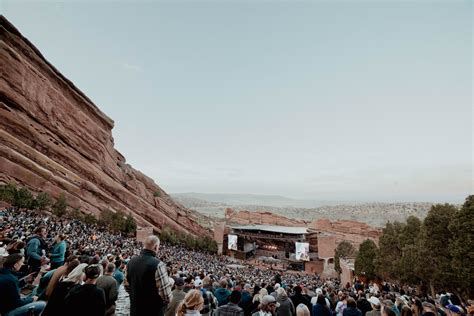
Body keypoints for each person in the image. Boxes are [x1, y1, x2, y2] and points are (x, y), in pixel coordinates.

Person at [127, 235, 172, 316]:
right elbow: (166, 296)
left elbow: (126, 285)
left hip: (135, 310)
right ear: (156, 247)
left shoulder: (131, 262)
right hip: (153, 310)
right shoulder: (159, 265)